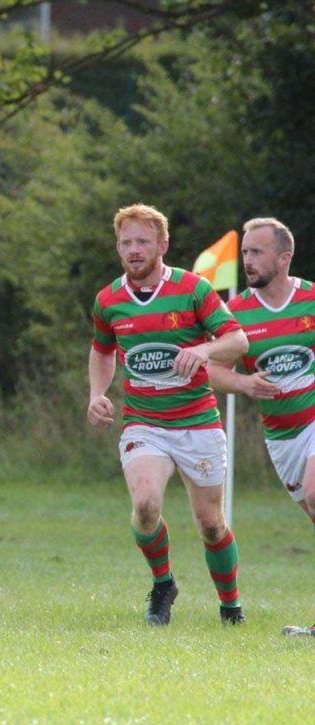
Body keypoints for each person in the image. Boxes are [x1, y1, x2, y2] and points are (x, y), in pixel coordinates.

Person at [88, 204, 249, 627]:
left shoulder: (193, 290)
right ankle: (163, 584)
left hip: (197, 421)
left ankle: (230, 606)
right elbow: (102, 351)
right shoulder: (109, 299)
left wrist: (203, 349)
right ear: (118, 247)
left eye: (143, 241)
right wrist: (97, 393)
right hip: (145, 422)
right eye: (126, 243)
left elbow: (238, 341)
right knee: (144, 505)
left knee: (211, 524)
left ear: (163, 244)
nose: (134, 250)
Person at [202, 219, 315, 636]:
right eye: (245, 252)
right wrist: (245, 383)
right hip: (281, 438)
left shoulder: (311, 300)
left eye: (257, 252)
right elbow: (212, 370)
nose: (248, 260)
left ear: (283, 258)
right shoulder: (237, 314)